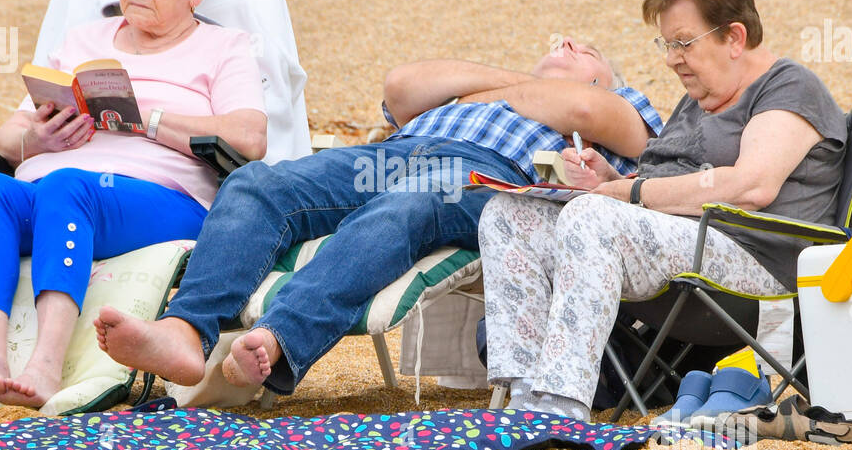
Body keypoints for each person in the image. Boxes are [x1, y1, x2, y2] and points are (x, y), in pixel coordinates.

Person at [94, 38, 663, 397]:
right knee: (257, 182)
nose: (565, 38)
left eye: (585, 49)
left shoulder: (625, 103)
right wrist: (524, 85)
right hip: (385, 155)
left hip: (486, 175)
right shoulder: (501, 89)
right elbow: (400, 86)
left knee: (406, 208)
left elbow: (585, 107)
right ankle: (184, 330)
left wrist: (527, 91)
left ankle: (280, 337)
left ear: (605, 77)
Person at [477, 0, 848, 421]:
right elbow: (666, 182)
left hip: (755, 264)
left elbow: (752, 185)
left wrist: (629, 196)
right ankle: (525, 392)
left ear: (734, 37)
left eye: (684, 43)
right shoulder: (701, 96)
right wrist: (611, 181)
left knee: (594, 218)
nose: (673, 59)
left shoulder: (789, 87)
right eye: (666, 43)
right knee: (509, 215)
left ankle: (560, 405)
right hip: (678, 246)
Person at [0, 0, 267, 411]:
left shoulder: (224, 47)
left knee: (66, 186)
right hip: (55, 188)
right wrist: (38, 138)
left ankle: (45, 368)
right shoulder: (84, 40)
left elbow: (250, 138)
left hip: (161, 200)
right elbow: (5, 140)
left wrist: (150, 120)